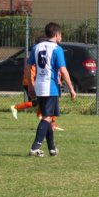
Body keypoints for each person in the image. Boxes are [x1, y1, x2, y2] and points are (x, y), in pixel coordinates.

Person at [28, 22, 76, 156]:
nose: (61, 37)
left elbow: (28, 67)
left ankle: (52, 148)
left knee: (47, 116)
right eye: (60, 35)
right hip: (51, 87)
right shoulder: (57, 49)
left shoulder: (36, 47)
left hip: (38, 84)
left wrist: (31, 84)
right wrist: (71, 88)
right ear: (56, 34)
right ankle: (35, 147)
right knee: (48, 117)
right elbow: (63, 70)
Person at [11, 37, 62, 131]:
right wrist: (31, 83)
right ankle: (16, 107)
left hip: (42, 83)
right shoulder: (37, 56)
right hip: (36, 83)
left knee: (45, 103)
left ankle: (49, 122)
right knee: (42, 103)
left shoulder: (43, 54)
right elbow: (31, 70)